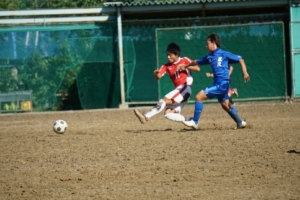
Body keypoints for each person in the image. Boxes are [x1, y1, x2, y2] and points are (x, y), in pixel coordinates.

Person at [177, 33, 250, 129]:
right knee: (225, 105)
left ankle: (195, 122)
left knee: (199, 97)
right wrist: (185, 66)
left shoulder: (224, 54)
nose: (206, 46)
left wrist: (245, 72)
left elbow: (241, 59)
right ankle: (240, 122)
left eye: (207, 43)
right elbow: (196, 61)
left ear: (213, 43)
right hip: (218, 84)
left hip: (222, 84)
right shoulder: (209, 57)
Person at [134, 42, 200, 124]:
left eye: (170, 55)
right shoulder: (166, 66)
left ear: (176, 54)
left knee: (164, 100)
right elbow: (159, 77)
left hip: (185, 87)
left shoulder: (185, 60)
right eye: (167, 55)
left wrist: (186, 66)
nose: (168, 57)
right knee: (168, 113)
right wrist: (156, 74)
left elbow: (197, 68)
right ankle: (190, 120)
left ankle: (146, 117)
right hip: (179, 92)